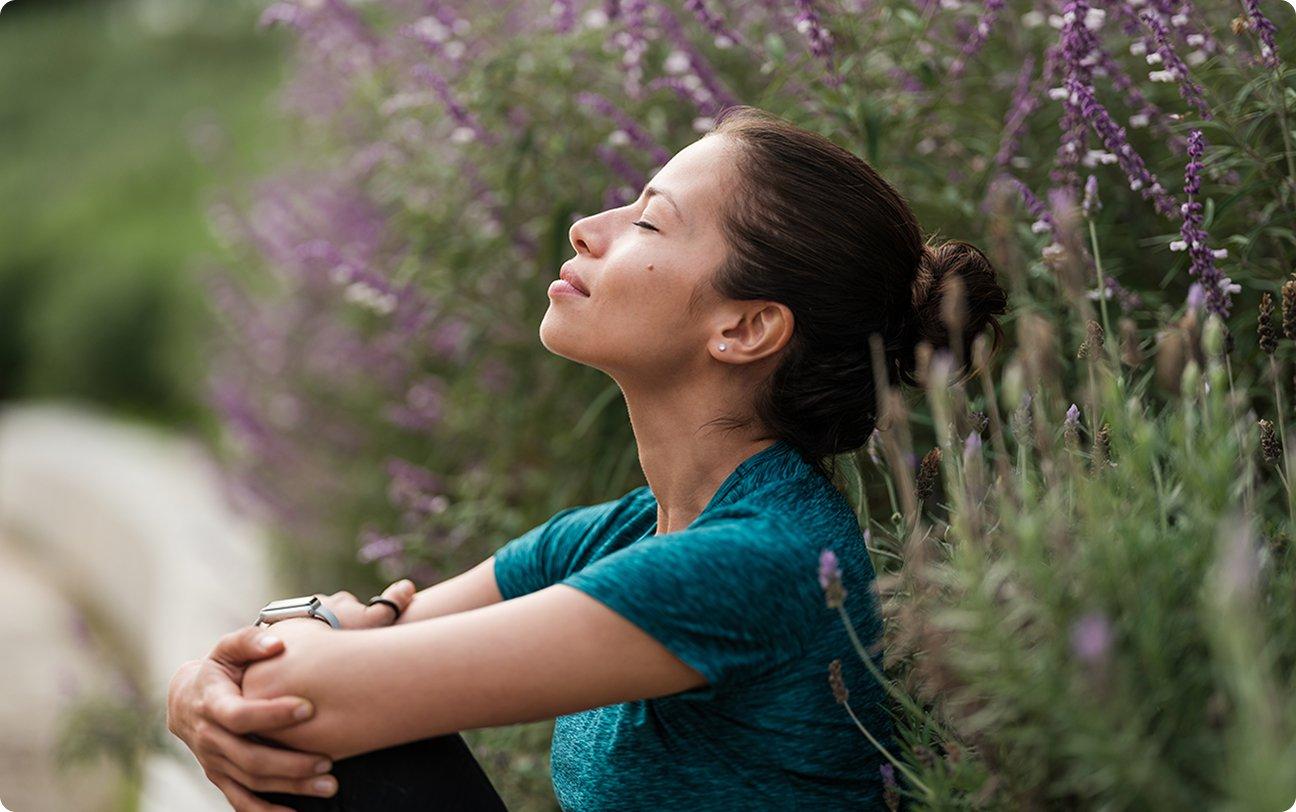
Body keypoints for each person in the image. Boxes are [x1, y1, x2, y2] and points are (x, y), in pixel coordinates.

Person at [166, 104, 1009, 811]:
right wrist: (208, 681)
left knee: (324, 742)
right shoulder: (624, 533)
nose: (588, 228)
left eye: (647, 220)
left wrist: (237, 677)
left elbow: (307, 693)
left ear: (745, 328)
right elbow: (329, 654)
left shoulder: (761, 562)